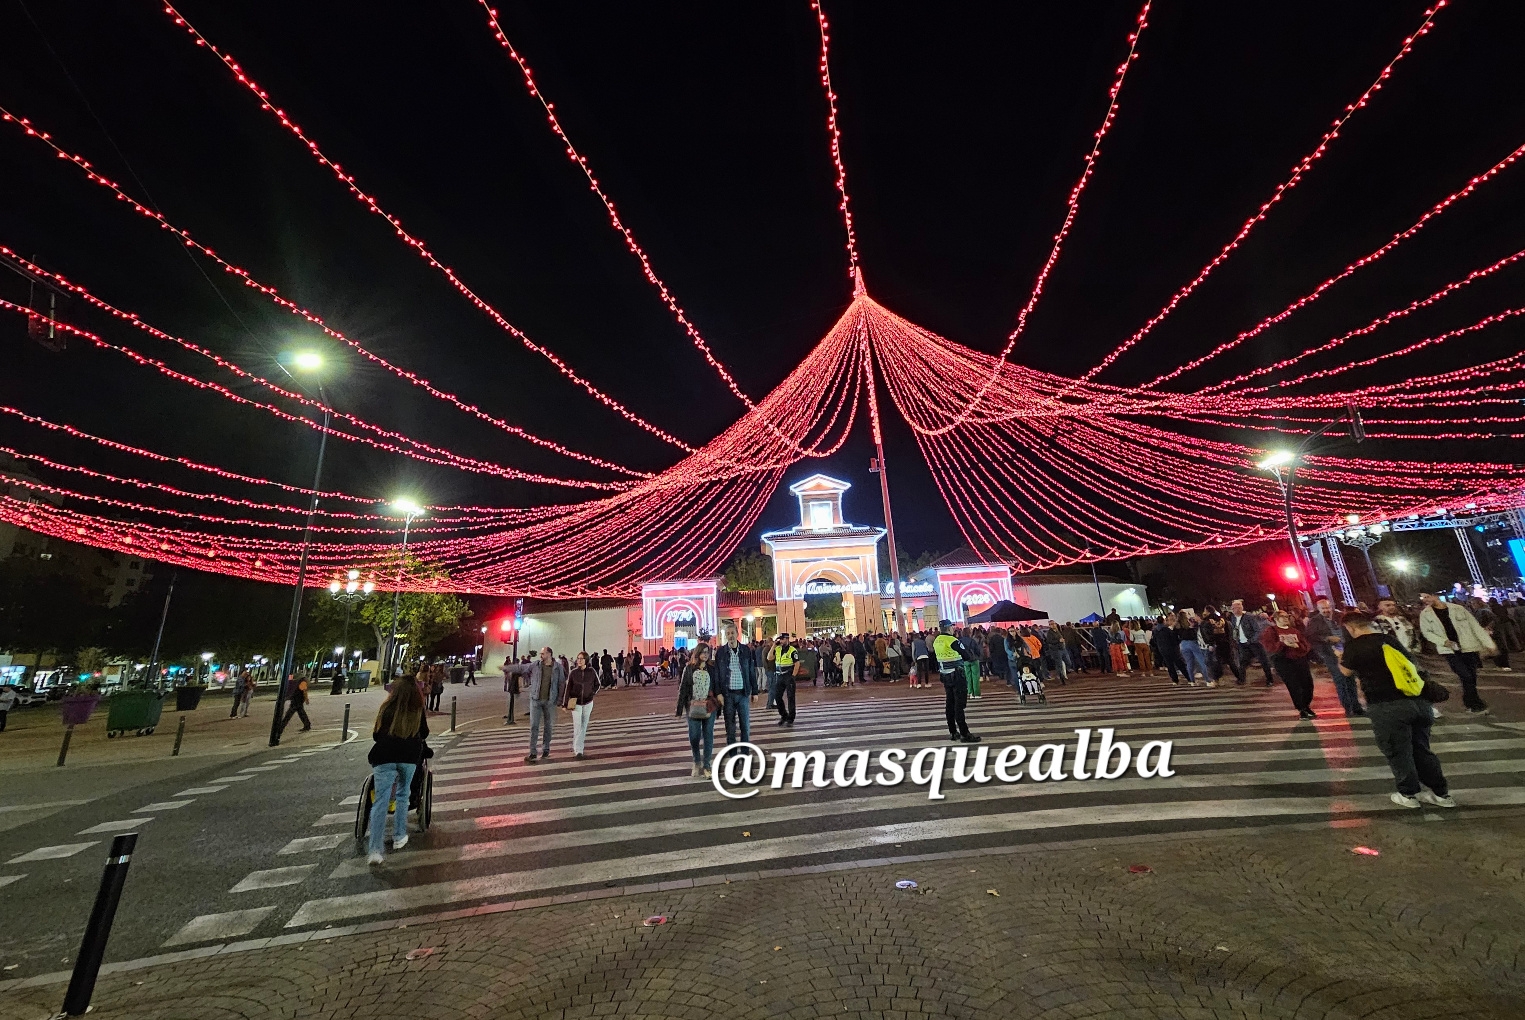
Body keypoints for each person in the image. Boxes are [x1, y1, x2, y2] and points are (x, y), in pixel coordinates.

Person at [1339, 610, 1453, 809]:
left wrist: (1338, 656)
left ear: (1350, 627)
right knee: (1422, 749)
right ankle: (1441, 794)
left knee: (1398, 751)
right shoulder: (1389, 639)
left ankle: (1408, 794)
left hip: (1387, 705)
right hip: (1418, 701)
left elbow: (1345, 672)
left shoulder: (1354, 646)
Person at [366, 674, 429, 865]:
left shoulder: (386, 707)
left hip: (384, 755)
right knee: (403, 794)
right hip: (409, 756)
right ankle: (399, 835)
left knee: (380, 801)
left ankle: (375, 850)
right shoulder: (417, 709)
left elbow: (376, 735)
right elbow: (424, 733)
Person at [1417, 592, 1494, 714]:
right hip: (1449, 650)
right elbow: (1427, 632)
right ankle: (1475, 704)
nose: (1425, 599)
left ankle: (1470, 701)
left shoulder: (1458, 609)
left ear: (1435, 595)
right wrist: (1443, 641)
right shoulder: (1425, 614)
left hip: (1468, 646)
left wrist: (1489, 644)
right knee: (1465, 676)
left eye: (1427, 596)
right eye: (1423, 597)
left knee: (1472, 676)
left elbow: (1475, 626)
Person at [504, 647, 565, 763]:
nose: (540, 655)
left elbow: (561, 683)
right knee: (534, 726)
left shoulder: (558, 668)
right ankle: (533, 752)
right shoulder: (536, 665)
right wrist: (507, 668)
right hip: (535, 700)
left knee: (548, 726)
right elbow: (521, 668)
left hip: (550, 701)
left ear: (549, 654)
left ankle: (546, 749)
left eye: (543, 653)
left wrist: (560, 699)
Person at [1306, 597, 1362, 716]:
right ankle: (1348, 708)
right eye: (1323, 608)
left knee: (1350, 678)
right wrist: (1327, 638)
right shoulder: (1314, 621)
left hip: (1346, 651)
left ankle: (1356, 706)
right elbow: (1311, 636)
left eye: (1327, 607)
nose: (1326, 610)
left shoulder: (1340, 616)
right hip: (1331, 654)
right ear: (1318, 609)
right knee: (1340, 680)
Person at [1259, 609, 1317, 719]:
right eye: (1283, 617)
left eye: (1287, 616)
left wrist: (1298, 646)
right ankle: (1302, 708)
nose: (1286, 619)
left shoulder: (1295, 631)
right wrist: (1283, 643)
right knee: (1294, 685)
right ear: (1276, 619)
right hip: (1283, 661)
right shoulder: (1271, 630)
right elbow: (1269, 646)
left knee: (1307, 683)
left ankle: (1306, 705)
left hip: (1299, 659)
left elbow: (1305, 644)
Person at [931, 620, 980, 744]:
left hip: (945, 675)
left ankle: (953, 731)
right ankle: (964, 733)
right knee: (959, 705)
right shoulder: (952, 640)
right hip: (957, 675)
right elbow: (966, 656)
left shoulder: (937, 640)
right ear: (949, 628)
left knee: (950, 703)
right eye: (952, 627)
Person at [675, 645, 718, 778]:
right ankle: (696, 761)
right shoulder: (689, 669)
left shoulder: (712, 668)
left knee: (708, 735)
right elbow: (683, 689)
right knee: (694, 736)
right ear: (697, 653)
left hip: (709, 706)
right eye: (703, 652)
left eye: (707, 652)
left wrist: (719, 704)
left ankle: (707, 765)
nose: (705, 654)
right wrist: (679, 709)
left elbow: (717, 686)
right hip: (693, 706)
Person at [713, 631, 756, 745]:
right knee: (730, 728)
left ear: (737, 634)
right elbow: (717, 673)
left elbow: (751, 671)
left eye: (732, 633)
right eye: (728, 633)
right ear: (726, 636)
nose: (730, 635)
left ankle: (744, 752)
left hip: (743, 693)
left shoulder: (745, 650)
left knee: (745, 726)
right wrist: (718, 693)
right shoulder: (721, 652)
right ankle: (733, 753)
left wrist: (755, 691)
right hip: (727, 695)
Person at [561, 651, 599, 760]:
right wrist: (565, 704)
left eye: (581, 658)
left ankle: (578, 746)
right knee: (577, 725)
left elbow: (597, 684)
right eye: (578, 658)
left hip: (588, 702)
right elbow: (568, 688)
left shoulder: (591, 671)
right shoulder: (573, 673)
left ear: (586, 660)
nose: (579, 660)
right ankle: (578, 750)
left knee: (584, 726)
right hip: (576, 703)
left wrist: (591, 692)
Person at [1227, 599, 1273, 686]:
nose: (1233, 610)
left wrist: (1252, 640)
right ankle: (1242, 679)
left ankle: (1269, 679)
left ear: (1240, 608)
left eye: (1235, 608)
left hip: (1253, 643)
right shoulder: (1233, 618)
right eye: (1232, 608)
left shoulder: (1249, 617)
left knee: (1263, 661)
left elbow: (1257, 630)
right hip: (1242, 643)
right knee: (1242, 662)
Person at [1173, 611, 1207, 686]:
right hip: (1192, 643)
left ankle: (1192, 681)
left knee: (1189, 663)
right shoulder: (1189, 623)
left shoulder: (1177, 626)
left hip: (1183, 644)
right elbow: (1194, 633)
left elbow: (1175, 636)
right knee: (1202, 661)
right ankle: (1208, 680)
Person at [771, 634, 797, 726]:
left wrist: (793, 676)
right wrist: (774, 645)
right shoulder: (777, 649)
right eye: (780, 639)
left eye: (782, 639)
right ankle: (784, 715)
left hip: (788, 676)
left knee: (790, 697)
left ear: (787, 639)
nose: (781, 641)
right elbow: (769, 657)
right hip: (779, 676)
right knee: (777, 696)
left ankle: (791, 718)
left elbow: (797, 663)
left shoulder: (792, 650)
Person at [1151, 616, 1182, 685]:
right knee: (1178, 662)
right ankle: (1188, 678)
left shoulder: (1156, 630)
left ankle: (1174, 680)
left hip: (1162, 649)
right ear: (1163, 621)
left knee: (1169, 664)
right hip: (1171, 648)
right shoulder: (1166, 629)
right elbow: (1173, 639)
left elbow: (1154, 640)